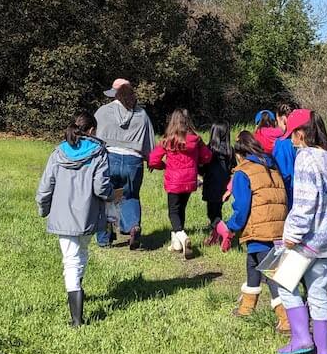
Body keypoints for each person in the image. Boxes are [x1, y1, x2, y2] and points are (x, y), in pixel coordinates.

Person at [35, 111, 112, 328]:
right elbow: (101, 187)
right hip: (88, 215)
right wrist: (112, 195)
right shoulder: (99, 152)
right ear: (92, 130)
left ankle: (76, 318)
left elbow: (45, 186)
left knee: (70, 260)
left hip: (62, 216)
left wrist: (43, 209)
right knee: (82, 254)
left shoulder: (58, 152)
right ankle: (78, 291)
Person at [275, 112, 327, 354]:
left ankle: (302, 338)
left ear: (302, 133)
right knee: (318, 293)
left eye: (292, 134)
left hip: (305, 240)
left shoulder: (304, 159)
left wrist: (292, 235)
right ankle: (323, 351)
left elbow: (304, 203)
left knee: (284, 282)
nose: (290, 140)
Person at [212, 131, 291, 333]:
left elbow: (242, 206)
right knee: (253, 263)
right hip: (279, 226)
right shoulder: (272, 166)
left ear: (239, 154)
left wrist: (230, 227)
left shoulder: (243, 171)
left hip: (260, 228)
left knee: (272, 273)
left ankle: (286, 318)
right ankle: (247, 307)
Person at [94, 79, 155, 250]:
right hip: (133, 160)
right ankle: (133, 226)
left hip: (109, 158)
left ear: (114, 94)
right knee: (131, 195)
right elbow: (149, 140)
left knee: (106, 197)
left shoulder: (103, 112)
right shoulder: (141, 114)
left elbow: (95, 137)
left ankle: (105, 238)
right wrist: (150, 158)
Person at [147, 108, 212, 259]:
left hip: (174, 181)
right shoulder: (196, 139)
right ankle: (176, 243)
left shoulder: (167, 139)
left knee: (173, 211)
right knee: (181, 209)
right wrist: (197, 162)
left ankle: (182, 236)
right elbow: (207, 157)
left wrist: (164, 166)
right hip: (190, 180)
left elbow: (153, 160)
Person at [272, 108, 311, 207]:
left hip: (290, 194)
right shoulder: (322, 154)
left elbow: (282, 174)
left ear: (284, 119)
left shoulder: (281, 144)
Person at [202, 122, 233, 234]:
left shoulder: (209, 149)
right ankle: (216, 234)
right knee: (217, 210)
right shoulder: (230, 151)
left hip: (210, 184)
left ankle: (224, 232)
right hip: (223, 186)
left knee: (212, 213)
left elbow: (202, 167)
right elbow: (233, 168)